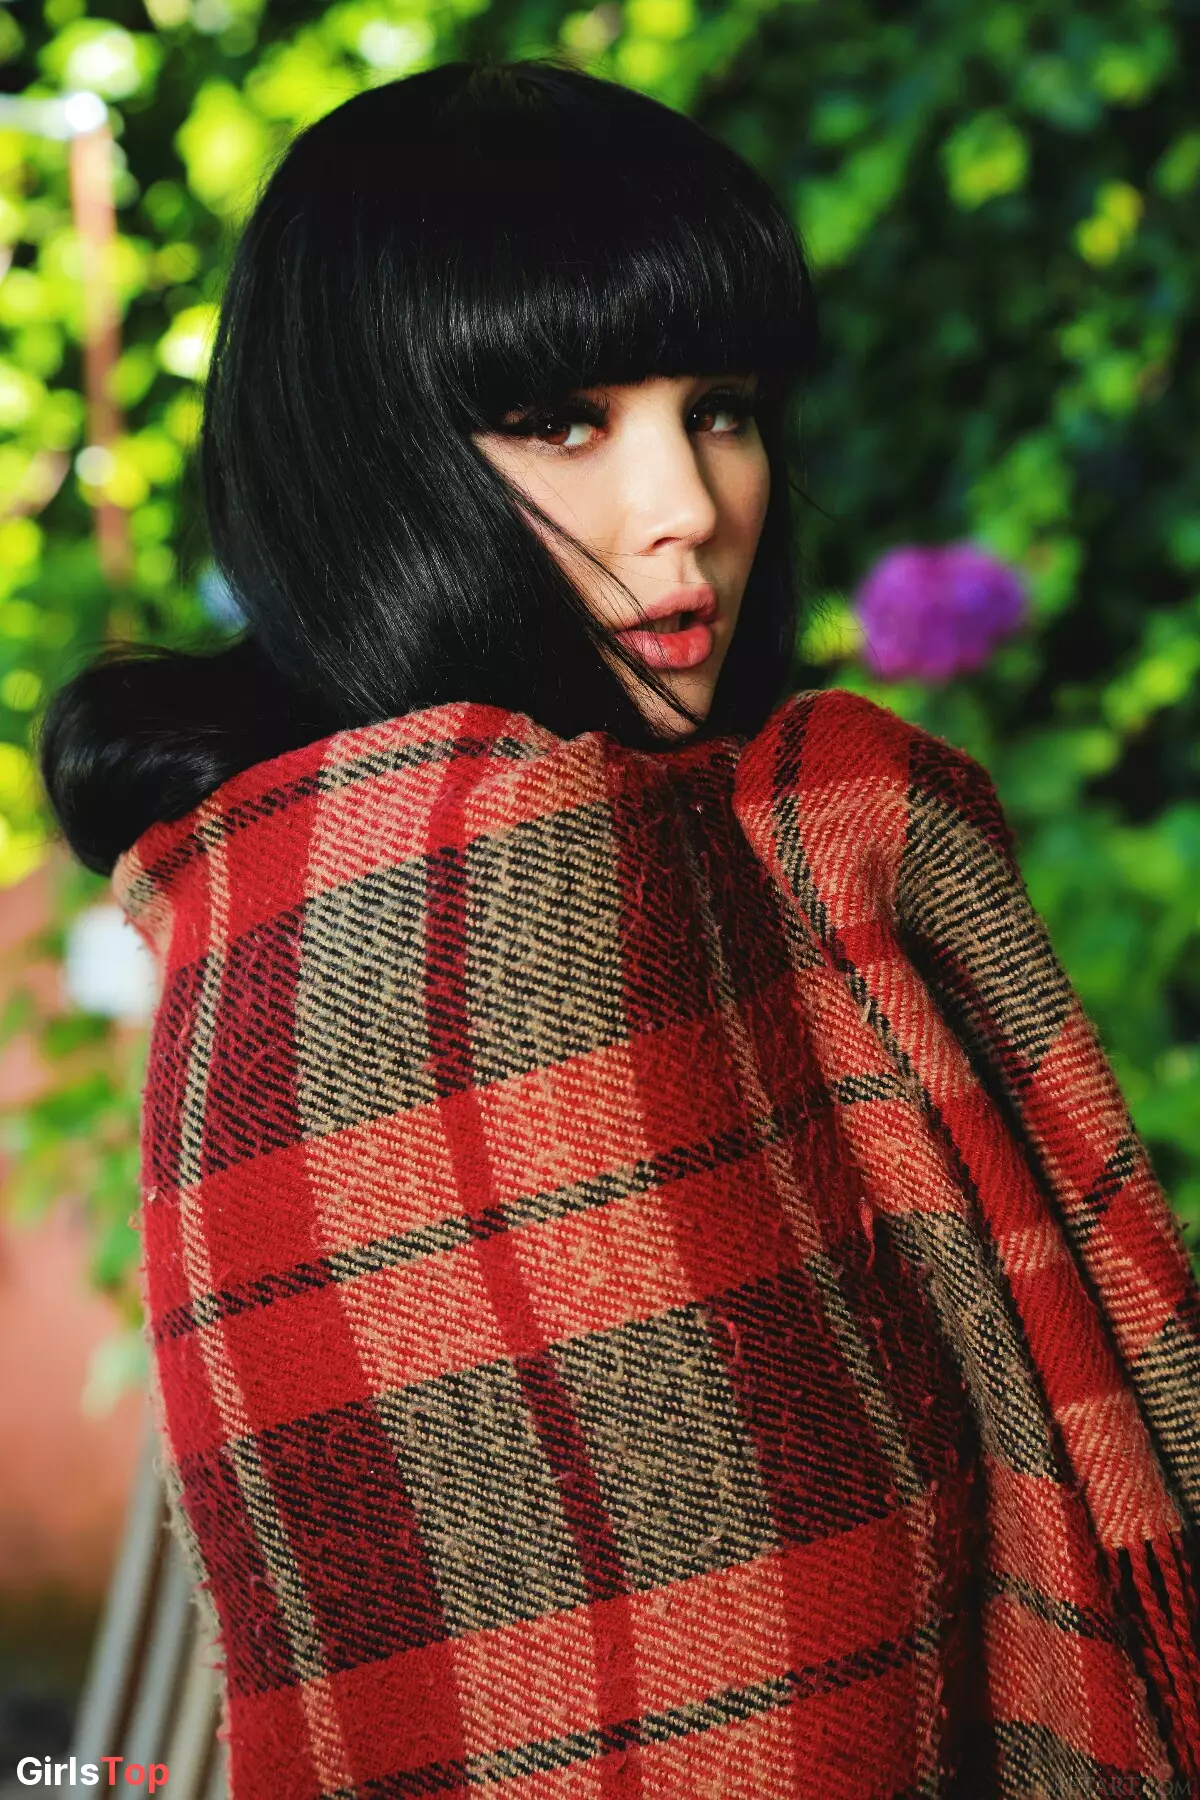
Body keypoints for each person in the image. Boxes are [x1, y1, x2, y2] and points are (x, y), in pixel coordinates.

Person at [38, 58, 1200, 1799]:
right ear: (367, 463)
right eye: (564, 422)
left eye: (718, 407)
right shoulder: (407, 933)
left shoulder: (803, 844)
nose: (690, 509)